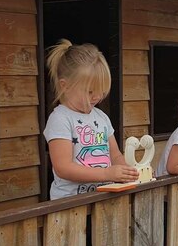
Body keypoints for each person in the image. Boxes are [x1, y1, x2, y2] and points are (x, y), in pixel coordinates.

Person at [43, 39, 138, 199]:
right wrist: (107, 173)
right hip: (70, 206)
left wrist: (129, 171)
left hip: (101, 200)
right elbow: (63, 168)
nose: (97, 97)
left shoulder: (101, 117)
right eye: (90, 91)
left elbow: (115, 156)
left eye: (101, 91)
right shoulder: (60, 119)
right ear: (65, 85)